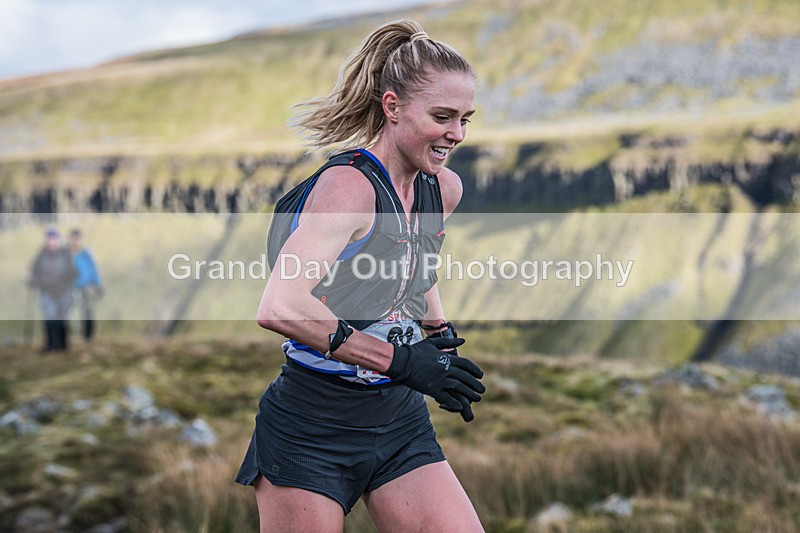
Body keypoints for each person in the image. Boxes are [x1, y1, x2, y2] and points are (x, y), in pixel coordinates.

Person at [235, 19, 486, 532]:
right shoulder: (348, 188)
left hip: (399, 422)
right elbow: (279, 306)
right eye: (442, 116)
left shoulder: (444, 188)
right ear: (392, 107)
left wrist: (438, 339)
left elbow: (417, 263)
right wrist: (401, 361)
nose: (455, 135)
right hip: (311, 428)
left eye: (465, 119)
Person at [29, 228, 77, 352]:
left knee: (62, 318)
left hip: (64, 290)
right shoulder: (41, 255)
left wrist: (69, 276)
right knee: (50, 317)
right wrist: (33, 281)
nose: (52, 242)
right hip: (47, 291)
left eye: (54, 239)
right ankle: (51, 345)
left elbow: (74, 272)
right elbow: (34, 271)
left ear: (59, 240)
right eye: (49, 239)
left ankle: (63, 345)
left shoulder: (66, 254)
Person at [69, 228, 103, 341]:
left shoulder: (86, 253)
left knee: (87, 310)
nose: (75, 241)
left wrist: (97, 284)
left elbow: (93, 269)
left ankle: (88, 336)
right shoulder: (65, 253)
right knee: (67, 310)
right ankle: (68, 335)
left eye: (77, 239)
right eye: (73, 238)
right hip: (70, 286)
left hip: (85, 285)